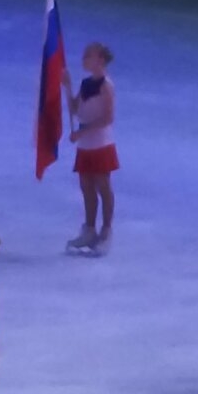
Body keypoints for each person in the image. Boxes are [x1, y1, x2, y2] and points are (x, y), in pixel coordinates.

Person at [61, 42, 119, 255]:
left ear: (100, 60)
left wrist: (82, 132)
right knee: (86, 186)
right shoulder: (86, 83)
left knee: (103, 186)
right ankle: (89, 230)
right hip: (85, 144)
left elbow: (108, 118)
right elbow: (75, 110)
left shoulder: (106, 86)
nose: (84, 59)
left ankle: (106, 232)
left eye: (88, 55)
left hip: (101, 143)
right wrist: (67, 87)